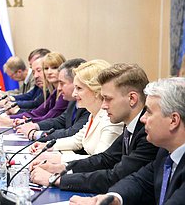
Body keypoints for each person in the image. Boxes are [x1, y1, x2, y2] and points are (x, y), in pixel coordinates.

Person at [30, 64, 159, 193]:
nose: (103, 106)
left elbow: (116, 176)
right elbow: (105, 159)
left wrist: (56, 179)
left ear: (132, 99)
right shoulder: (130, 124)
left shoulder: (148, 132)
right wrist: (60, 168)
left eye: (108, 99)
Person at [70, 77, 185, 205]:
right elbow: (139, 181)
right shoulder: (165, 153)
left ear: (174, 120)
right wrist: (112, 199)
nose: (143, 118)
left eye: (149, 112)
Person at [29, 60, 124, 164]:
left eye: (79, 88)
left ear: (96, 90)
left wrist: (59, 159)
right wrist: (48, 146)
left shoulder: (111, 118)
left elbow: (99, 161)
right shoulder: (95, 114)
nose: (74, 94)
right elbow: (77, 140)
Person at [15, 58, 90, 142]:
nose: (59, 88)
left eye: (62, 83)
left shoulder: (89, 105)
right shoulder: (73, 100)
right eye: (46, 68)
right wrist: (35, 126)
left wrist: (35, 134)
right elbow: (60, 120)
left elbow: (72, 133)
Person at [0, 52, 68, 125]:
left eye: (54, 68)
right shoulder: (54, 92)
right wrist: (11, 118)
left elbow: (49, 117)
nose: (49, 72)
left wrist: (15, 120)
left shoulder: (64, 93)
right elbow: (38, 112)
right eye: (46, 68)